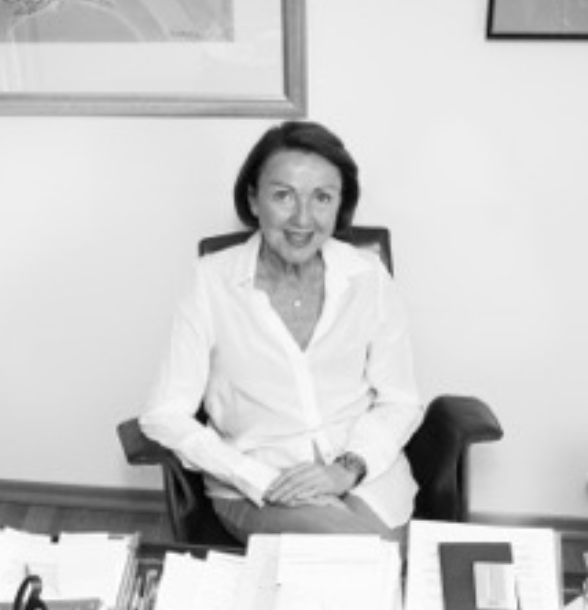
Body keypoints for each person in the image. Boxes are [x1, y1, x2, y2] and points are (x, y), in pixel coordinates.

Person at [139, 121, 424, 542]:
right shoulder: (210, 281)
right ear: (253, 199)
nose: (303, 218)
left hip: (364, 475)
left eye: (322, 197)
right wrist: (256, 476)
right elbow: (163, 415)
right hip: (260, 488)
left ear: (340, 204)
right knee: (364, 555)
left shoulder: (368, 277)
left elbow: (400, 400)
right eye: (283, 195)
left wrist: (345, 469)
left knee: (367, 558)